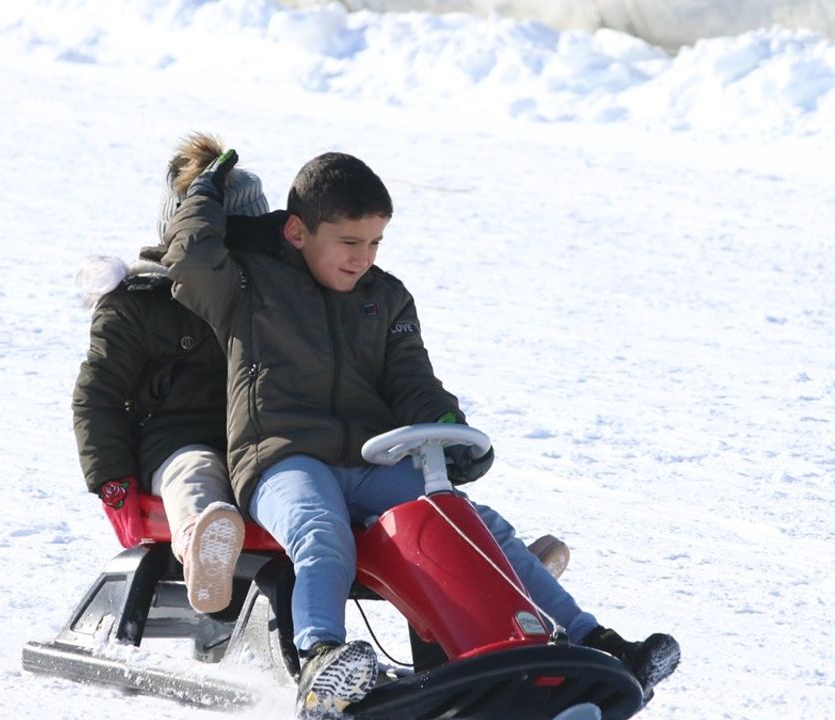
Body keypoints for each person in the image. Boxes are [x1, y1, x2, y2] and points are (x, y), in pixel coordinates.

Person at [162, 149, 680, 718]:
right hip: (283, 459)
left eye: (375, 242)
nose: (363, 258)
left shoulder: (385, 298)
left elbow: (413, 380)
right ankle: (322, 664)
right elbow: (187, 262)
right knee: (319, 528)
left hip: (370, 460)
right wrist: (204, 194)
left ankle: (591, 642)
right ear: (297, 231)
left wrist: (447, 427)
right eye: (349, 243)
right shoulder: (247, 284)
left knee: (473, 525)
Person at [71, 133, 270, 614]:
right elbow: (97, 395)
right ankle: (203, 544)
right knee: (196, 472)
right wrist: (112, 479)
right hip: (177, 442)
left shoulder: (276, 299)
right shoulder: (137, 303)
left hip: (264, 442)